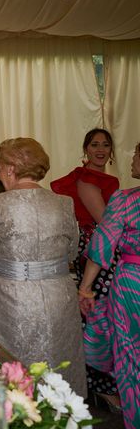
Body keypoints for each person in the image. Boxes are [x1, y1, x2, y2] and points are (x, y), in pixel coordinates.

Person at [0, 137, 87, 397]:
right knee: (60, 359)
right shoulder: (64, 203)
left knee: (16, 362)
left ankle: (21, 416)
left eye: (0, 167)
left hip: (14, 295)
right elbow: (73, 250)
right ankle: (65, 415)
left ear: (11, 169)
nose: (0, 173)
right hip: (59, 292)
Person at [50, 128, 120, 401]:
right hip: (98, 250)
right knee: (99, 316)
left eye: (105, 144)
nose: (100, 149)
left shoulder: (101, 178)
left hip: (101, 248)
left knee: (104, 315)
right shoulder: (87, 179)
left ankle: (103, 383)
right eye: (94, 144)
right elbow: (107, 223)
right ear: (85, 149)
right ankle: (101, 387)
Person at [79, 142, 140, 427]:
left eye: (136, 154)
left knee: (129, 356)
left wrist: (85, 288)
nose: (132, 160)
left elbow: (102, 245)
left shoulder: (125, 200)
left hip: (132, 284)